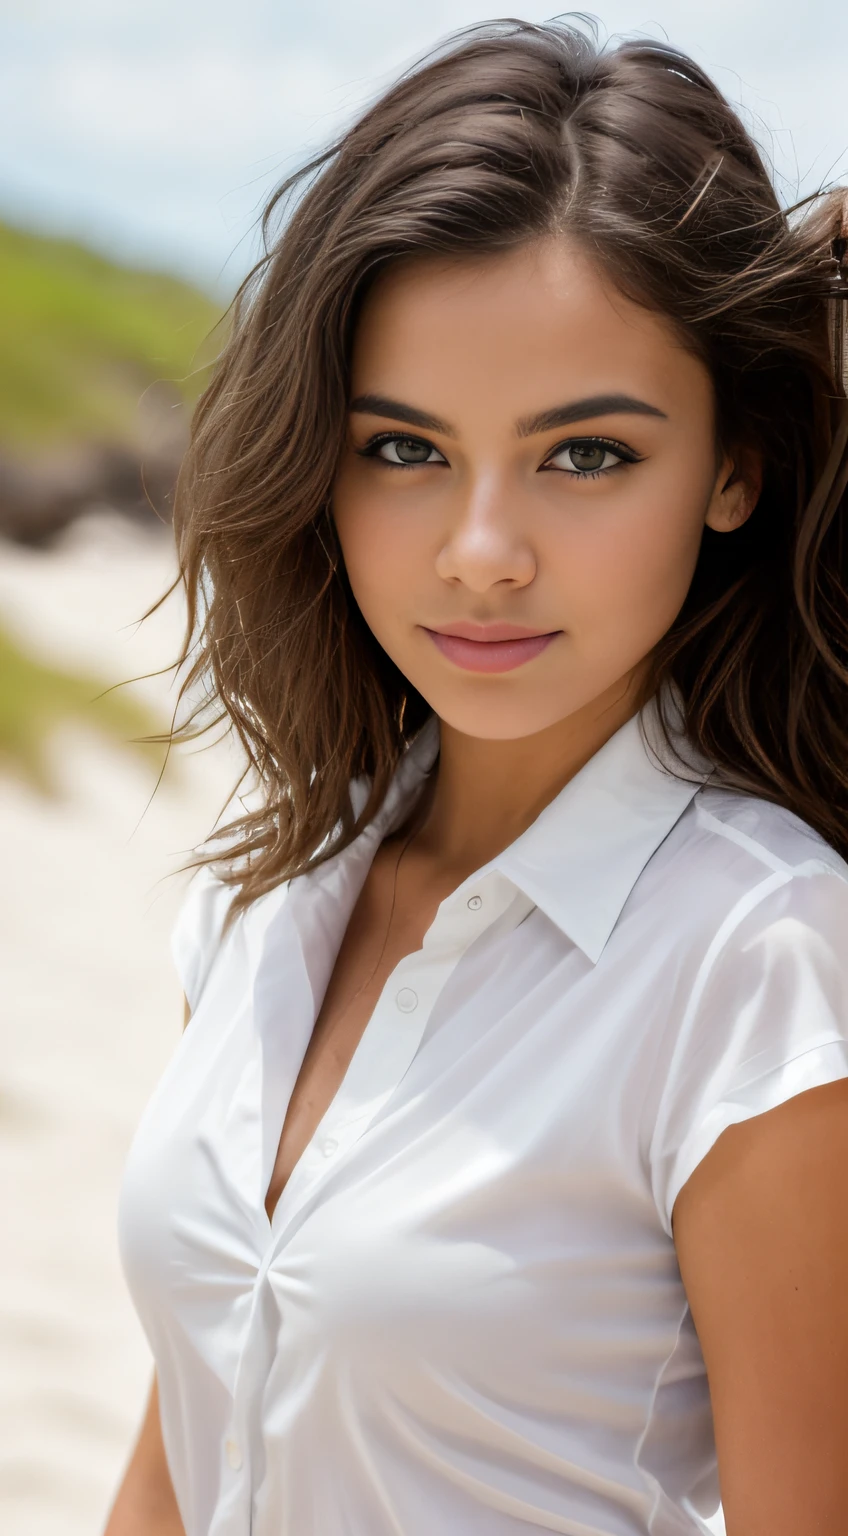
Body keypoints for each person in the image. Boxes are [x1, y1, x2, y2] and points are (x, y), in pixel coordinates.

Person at [104, 18, 848, 1536]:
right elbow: (183, 1453)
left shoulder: (766, 962)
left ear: (732, 468)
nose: (481, 551)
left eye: (585, 456)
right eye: (403, 450)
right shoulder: (268, 913)